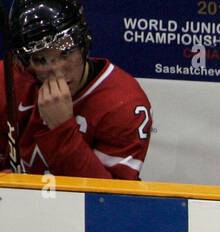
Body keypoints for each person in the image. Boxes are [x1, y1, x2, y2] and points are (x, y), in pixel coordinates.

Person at [0, 0, 151, 178]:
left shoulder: (124, 104)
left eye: (66, 52)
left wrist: (61, 128)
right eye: (41, 60)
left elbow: (108, 201)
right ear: (24, 64)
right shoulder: (7, 81)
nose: (58, 71)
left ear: (83, 44)